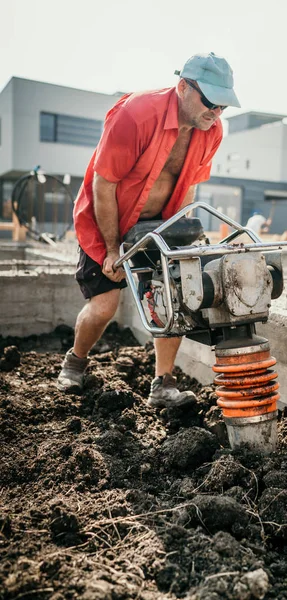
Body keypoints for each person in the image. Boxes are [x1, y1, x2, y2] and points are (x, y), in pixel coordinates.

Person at [57, 52, 241, 408]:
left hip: (161, 225)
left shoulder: (211, 130)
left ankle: (163, 385)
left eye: (224, 107)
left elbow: (189, 186)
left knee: (172, 301)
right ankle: (76, 361)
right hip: (108, 219)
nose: (216, 113)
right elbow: (104, 184)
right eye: (211, 102)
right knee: (104, 307)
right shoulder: (136, 114)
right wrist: (112, 248)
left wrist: (183, 236)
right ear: (184, 87)